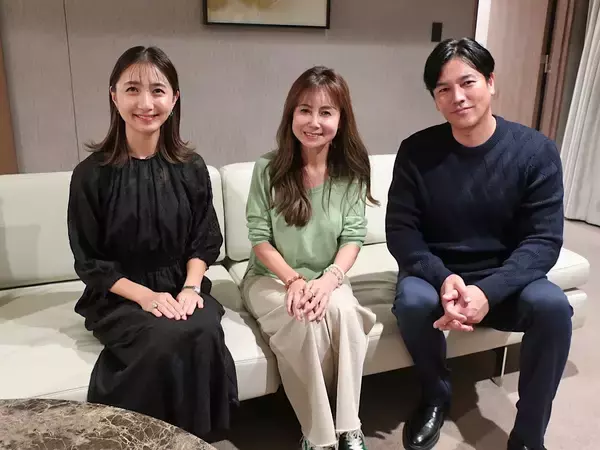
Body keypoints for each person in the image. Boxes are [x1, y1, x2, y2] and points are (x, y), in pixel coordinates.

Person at [386, 38, 571, 450]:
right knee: (413, 302)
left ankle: (529, 434)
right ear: (435, 99)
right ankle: (435, 395)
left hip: (505, 278)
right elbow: (401, 231)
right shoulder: (416, 152)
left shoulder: (535, 151)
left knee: (553, 307)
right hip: (437, 276)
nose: (458, 96)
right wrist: (442, 277)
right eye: (443, 89)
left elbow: (543, 240)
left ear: (490, 82)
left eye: (467, 82)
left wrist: (488, 291)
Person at [67, 46, 238, 438]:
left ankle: (195, 440)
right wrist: (145, 297)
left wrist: (190, 288)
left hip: (181, 286)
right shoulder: (91, 175)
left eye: (157, 90)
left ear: (174, 99)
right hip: (119, 296)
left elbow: (204, 240)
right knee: (166, 337)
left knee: (203, 329)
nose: (146, 103)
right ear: (114, 96)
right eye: (132, 89)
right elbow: (89, 261)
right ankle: (138, 439)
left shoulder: (191, 168)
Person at [241, 66, 378, 450]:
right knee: (303, 321)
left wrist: (329, 279)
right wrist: (295, 281)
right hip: (272, 277)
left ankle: (349, 428)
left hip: (327, 275)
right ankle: (318, 437)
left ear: (341, 120)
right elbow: (259, 240)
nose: (314, 122)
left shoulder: (352, 172)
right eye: (305, 110)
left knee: (345, 313)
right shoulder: (268, 169)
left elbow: (353, 237)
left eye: (326, 112)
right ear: (291, 115)